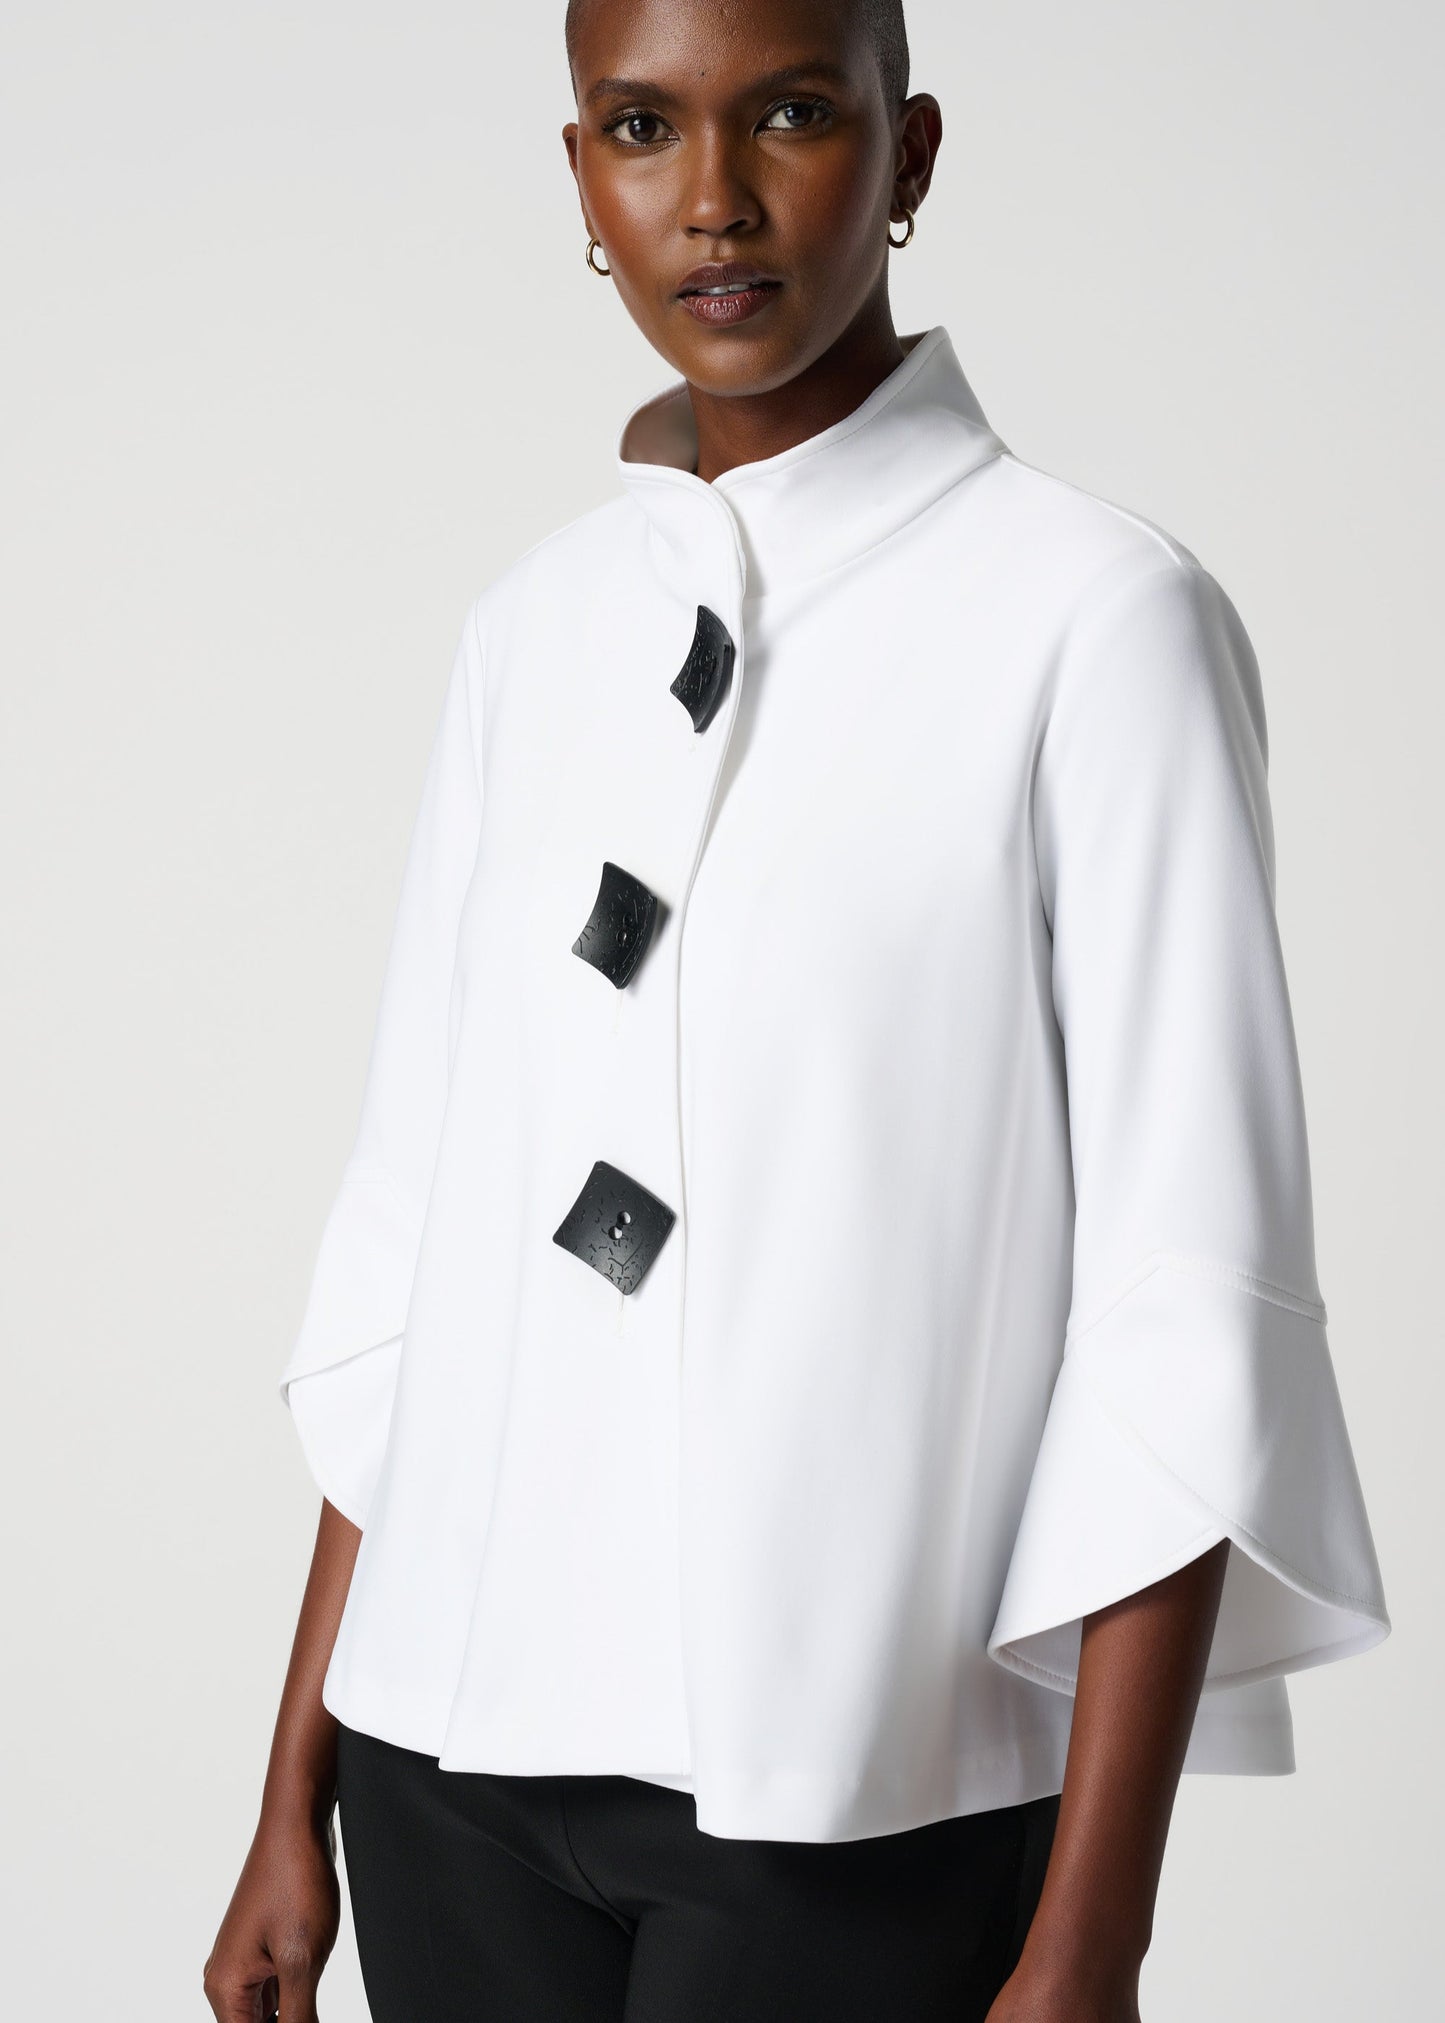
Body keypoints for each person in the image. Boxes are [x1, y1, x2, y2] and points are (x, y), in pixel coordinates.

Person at [204, 1, 1389, 2018]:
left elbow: (1188, 1302)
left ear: (908, 153)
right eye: (640, 128)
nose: (715, 200)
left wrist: (1093, 1939)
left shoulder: (1098, 621)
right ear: (580, 176)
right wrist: (286, 1797)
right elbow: (412, 1255)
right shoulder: (527, 635)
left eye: (793, 114)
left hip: (858, 1793)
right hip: (440, 1773)